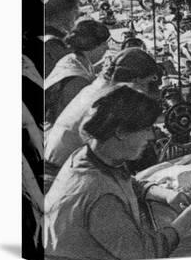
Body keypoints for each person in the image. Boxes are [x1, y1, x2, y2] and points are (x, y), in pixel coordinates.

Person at [44, 86, 191, 260]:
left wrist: (167, 195)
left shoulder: (92, 156)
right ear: (121, 132)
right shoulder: (100, 196)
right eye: (146, 129)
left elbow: (126, 182)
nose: (151, 136)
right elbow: (146, 254)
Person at [44, 48, 163, 190]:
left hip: (59, 166)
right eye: (146, 83)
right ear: (135, 80)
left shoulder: (98, 86)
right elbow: (112, 153)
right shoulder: (109, 99)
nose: (146, 89)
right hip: (61, 177)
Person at [45, 20, 110, 126]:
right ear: (93, 46)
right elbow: (82, 121)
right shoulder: (77, 82)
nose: (107, 48)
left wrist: (97, 69)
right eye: (104, 44)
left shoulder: (74, 58)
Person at [43, 0, 80, 77]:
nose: (77, 16)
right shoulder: (52, 41)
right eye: (75, 11)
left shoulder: (52, 30)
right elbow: (68, 76)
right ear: (64, 13)